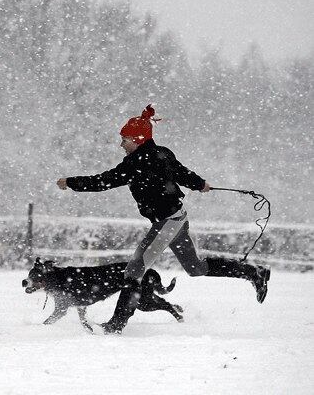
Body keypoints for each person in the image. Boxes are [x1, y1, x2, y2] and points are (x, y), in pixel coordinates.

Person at [56, 105, 270, 334]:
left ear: (137, 139)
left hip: (167, 222)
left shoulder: (135, 163)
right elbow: (182, 173)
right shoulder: (162, 153)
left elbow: (103, 181)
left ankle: (115, 325)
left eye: (124, 140)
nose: (121, 145)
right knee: (195, 268)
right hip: (178, 217)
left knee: (133, 271)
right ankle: (253, 272)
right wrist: (200, 184)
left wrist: (71, 182)